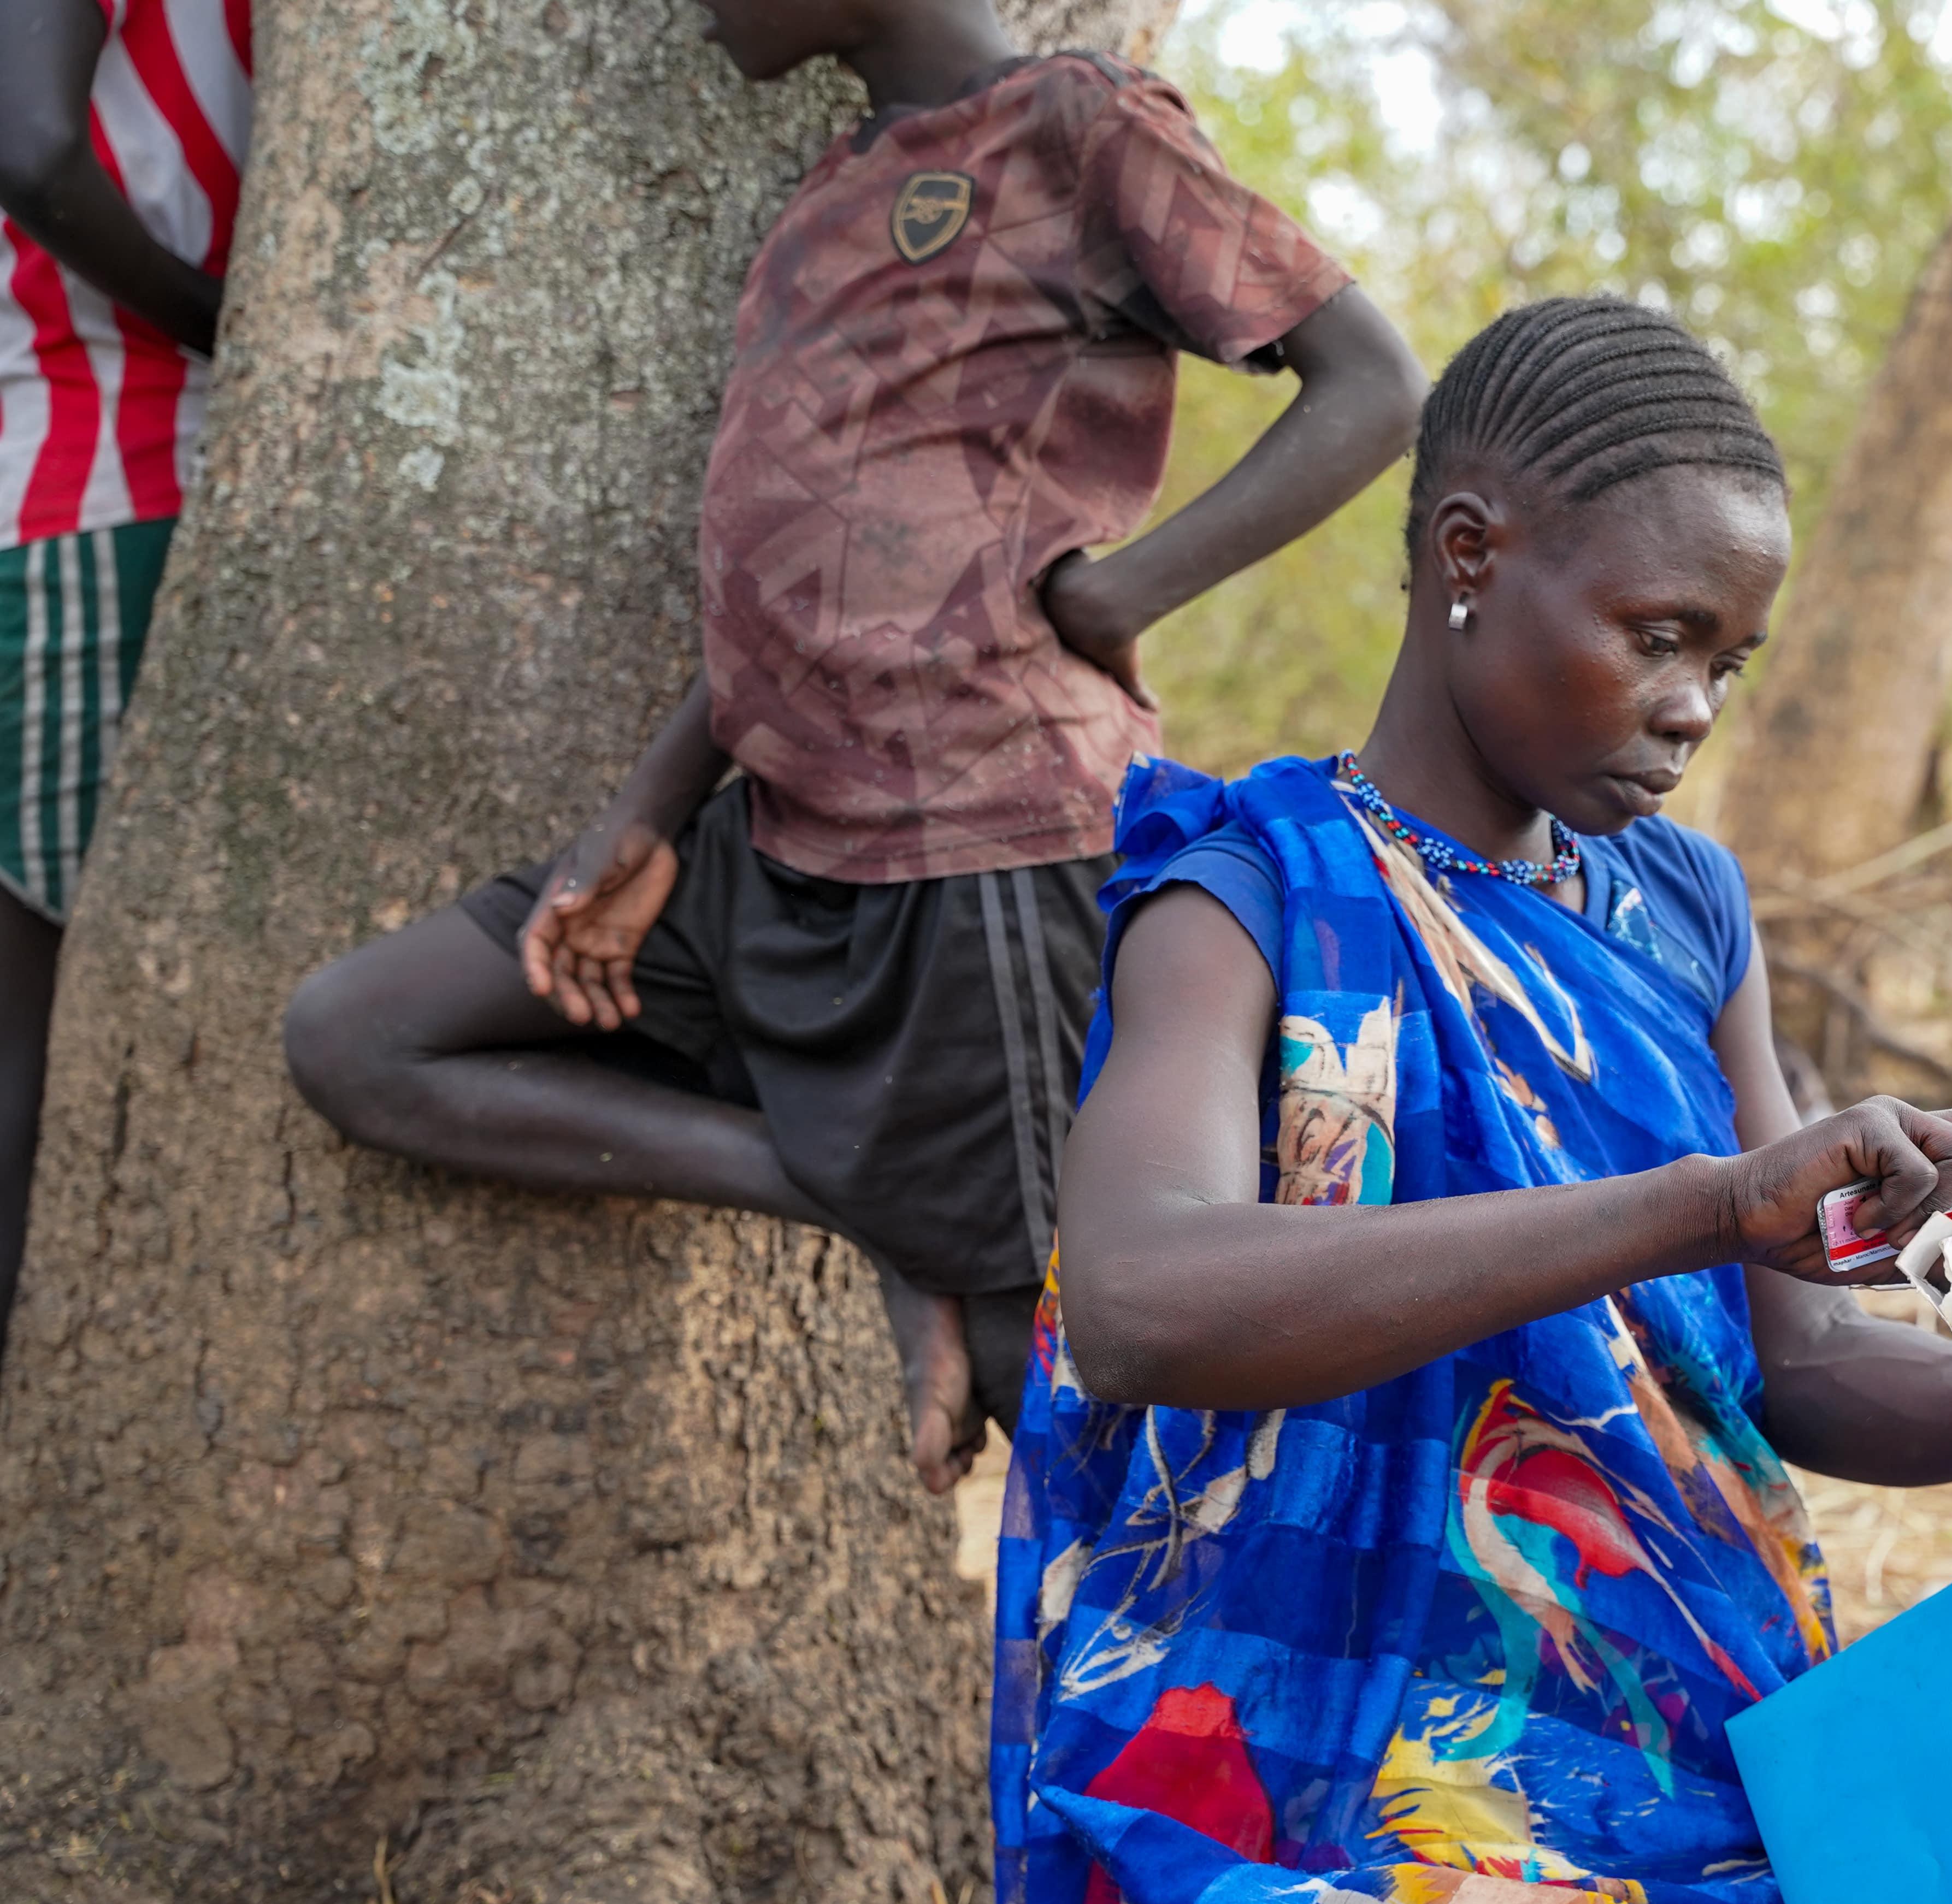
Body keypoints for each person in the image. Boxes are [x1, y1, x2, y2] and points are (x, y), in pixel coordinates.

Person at [993, 297, 1952, 1904]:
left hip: (1696, 1757)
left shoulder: (1684, 913)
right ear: (1470, 557)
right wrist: (1702, 1203)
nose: (1697, 703)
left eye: (1733, 658)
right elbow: (1136, 1301)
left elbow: (1797, 1370)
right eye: (1660, 636)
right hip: (1337, 1794)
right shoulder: (1246, 896)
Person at [282, 0, 1422, 1492]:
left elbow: (1377, 383)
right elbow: (797, 553)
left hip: (987, 845)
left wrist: (1123, 588)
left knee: (1054, 1358)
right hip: (776, 834)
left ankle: (1172, 1708)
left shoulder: (1077, 127)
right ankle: (881, 1203)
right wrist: (644, 812)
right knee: (360, 1037)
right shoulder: (830, 188)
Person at [0, 0, 250, 1338]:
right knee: (40, 1036)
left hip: (97, 484)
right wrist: (244, 330)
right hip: (101, 473)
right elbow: (32, 151)